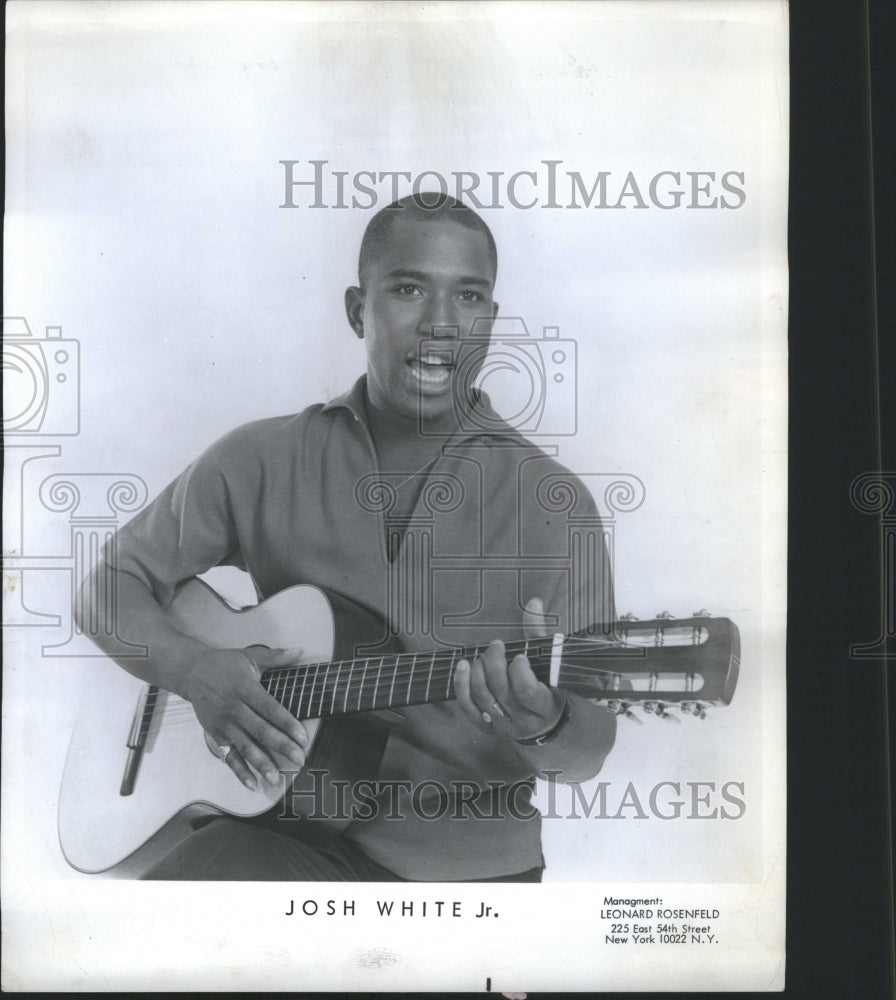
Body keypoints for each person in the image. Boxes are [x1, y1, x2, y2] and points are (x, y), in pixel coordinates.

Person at [77, 194, 617, 881]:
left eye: (470, 296)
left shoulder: (557, 503)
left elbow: (592, 749)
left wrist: (544, 722)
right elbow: (103, 592)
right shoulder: (261, 457)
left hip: (465, 877)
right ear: (359, 310)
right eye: (408, 289)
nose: (442, 324)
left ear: (490, 319)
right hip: (280, 829)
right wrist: (193, 671)